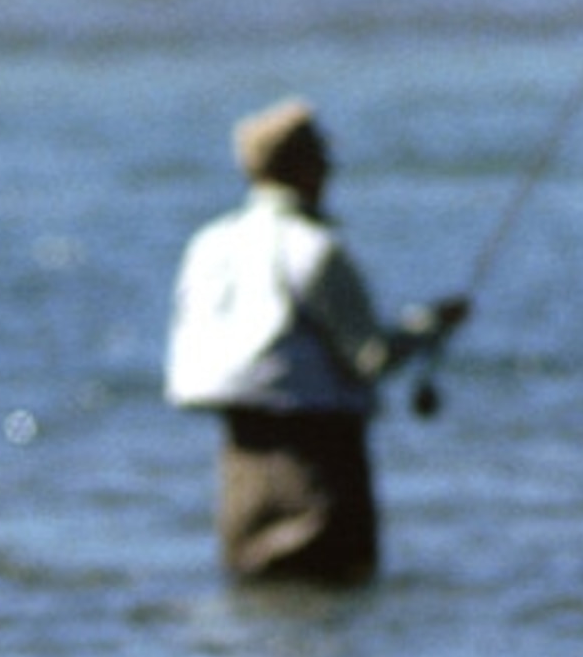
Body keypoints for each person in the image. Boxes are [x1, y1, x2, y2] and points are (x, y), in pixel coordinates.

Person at [165, 98, 469, 584]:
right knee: (335, 601)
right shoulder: (315, 249)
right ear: (303, 168)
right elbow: (370, 357)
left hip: (240, 460)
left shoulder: (209, 244)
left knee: (255, 604)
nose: (330, 171)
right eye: (323, 159)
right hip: (320, 458)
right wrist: (430, 326)